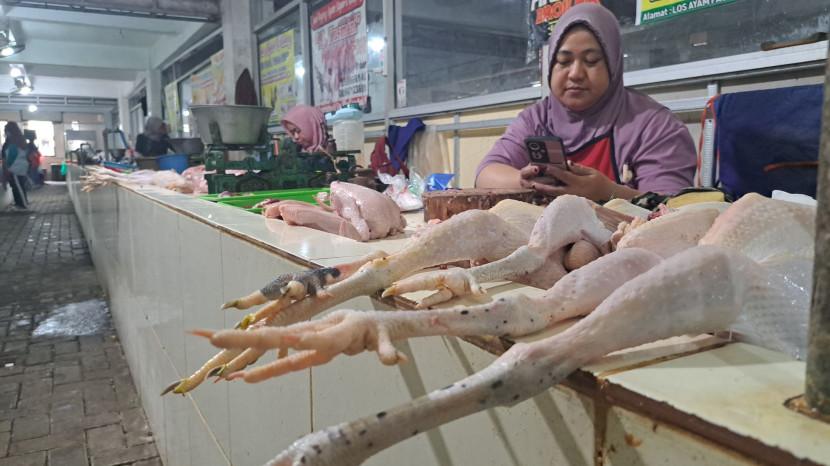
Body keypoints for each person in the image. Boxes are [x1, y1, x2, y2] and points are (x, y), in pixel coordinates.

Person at [476, 4, 696, 202]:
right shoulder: (537, 118)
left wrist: (608, 192)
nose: (575, 74)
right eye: (564, 61)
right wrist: (524, 181)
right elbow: (486, 174)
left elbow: (673, 207)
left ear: (613, 64)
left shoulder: (655, 125)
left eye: (591, 61)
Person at [2, 122, 31, 210]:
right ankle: (20, 203)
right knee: (18, 186)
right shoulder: (21, 141)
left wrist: (7, 167)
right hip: (21, 167)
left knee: (17, 186)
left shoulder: (12, 143)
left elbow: (11, 157)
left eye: (6, 131)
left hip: (15, 168)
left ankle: (22, 205)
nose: (6, 133)